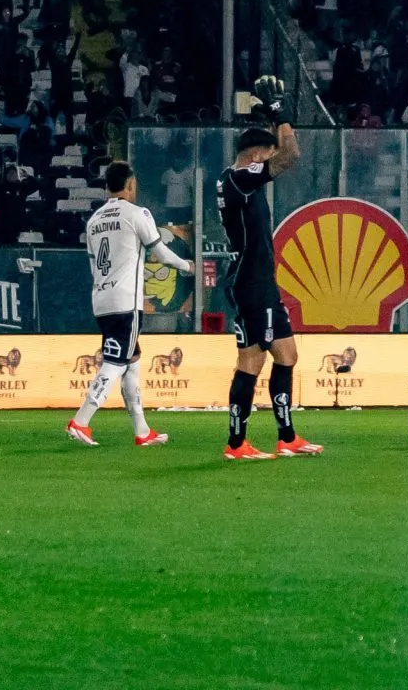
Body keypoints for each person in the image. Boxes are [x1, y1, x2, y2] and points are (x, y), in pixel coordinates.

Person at [68, 159, 193, 448]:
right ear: (131, 184)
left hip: (101, 299)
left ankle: (142, 430)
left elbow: (93, 264)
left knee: (132, 362)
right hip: (126, 300)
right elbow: (160, 254)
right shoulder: (137, 213)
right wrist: (187, 266)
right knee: (116, 362)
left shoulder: (94, 220)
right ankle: (81, 421)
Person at [218, 117, 318, 461]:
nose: (271, 166)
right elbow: (291, 155)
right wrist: (279, 116)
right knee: (251, 360)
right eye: (267, 157)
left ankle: (287, 437)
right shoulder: (239, 180)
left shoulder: (236, 181)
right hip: (250, 283)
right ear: (257, 154)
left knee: (287, 354)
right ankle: (235, 444)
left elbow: (282, 156)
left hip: (261, 282)